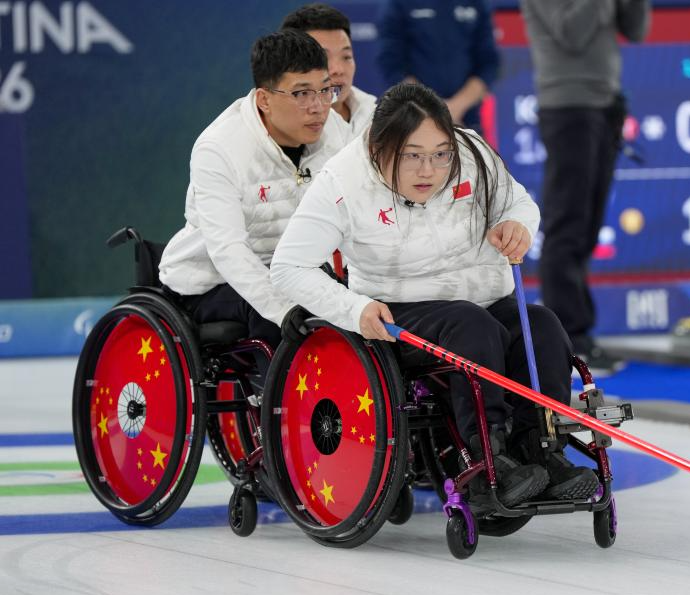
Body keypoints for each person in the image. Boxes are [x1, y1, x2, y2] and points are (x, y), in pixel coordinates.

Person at [271, 82, 600, 506]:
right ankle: (486, 460)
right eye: (412, 156)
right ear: (378, 148)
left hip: (485, 298)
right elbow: (288, 267)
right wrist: (354, 309)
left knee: (543, 326)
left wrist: (518, 224)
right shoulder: (343, 182)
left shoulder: (473, 154)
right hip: (402, 310)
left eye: (441, 154)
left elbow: (519, 203)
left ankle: (541, 449)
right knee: (471, 327)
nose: (429, 170)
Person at [158, 30, 345, 368]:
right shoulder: (219, 149)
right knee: (285, 315)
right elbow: (229, 250)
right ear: (264, 99)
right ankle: (280, 403)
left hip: (295, 271)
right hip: (212, 284)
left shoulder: (336, 131)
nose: (318, 107)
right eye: (302, 93)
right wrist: (283, 307)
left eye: (324, 89)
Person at [520, 0, 651, 374]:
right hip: (567, 106)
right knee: (568, 223)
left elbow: (636, 29)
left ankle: (578, 334)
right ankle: (568, 337)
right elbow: (572, 33)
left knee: (589, 224)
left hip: (606, 103)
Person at [376, 0, 499, 133]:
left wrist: (456, 108)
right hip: (414, 120)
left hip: (465, 120)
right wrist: (435, 112)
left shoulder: (477, 3)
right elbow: (392, 65)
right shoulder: (397, 4)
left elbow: (489, 64)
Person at [281, 3, 377, 139]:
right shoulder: (280, 130)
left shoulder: (375, 117)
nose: (338, 70)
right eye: (323, 58)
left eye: (346, 57)